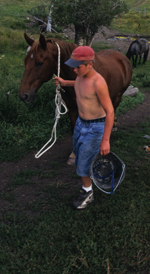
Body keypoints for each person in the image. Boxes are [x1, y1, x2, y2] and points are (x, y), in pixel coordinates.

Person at [53, 46, 114, 209]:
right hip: (81, 124)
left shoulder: (98, 82)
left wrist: (105, 140)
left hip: (95, 128)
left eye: (78, 66)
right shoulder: (80, 75)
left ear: (90, 65)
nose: (74, 70)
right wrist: (65, 82)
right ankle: (96, 168)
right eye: (73, 65)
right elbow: (79, 83)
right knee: (79, 153)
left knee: (83, 162)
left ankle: (87, 192)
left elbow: (110, 111)